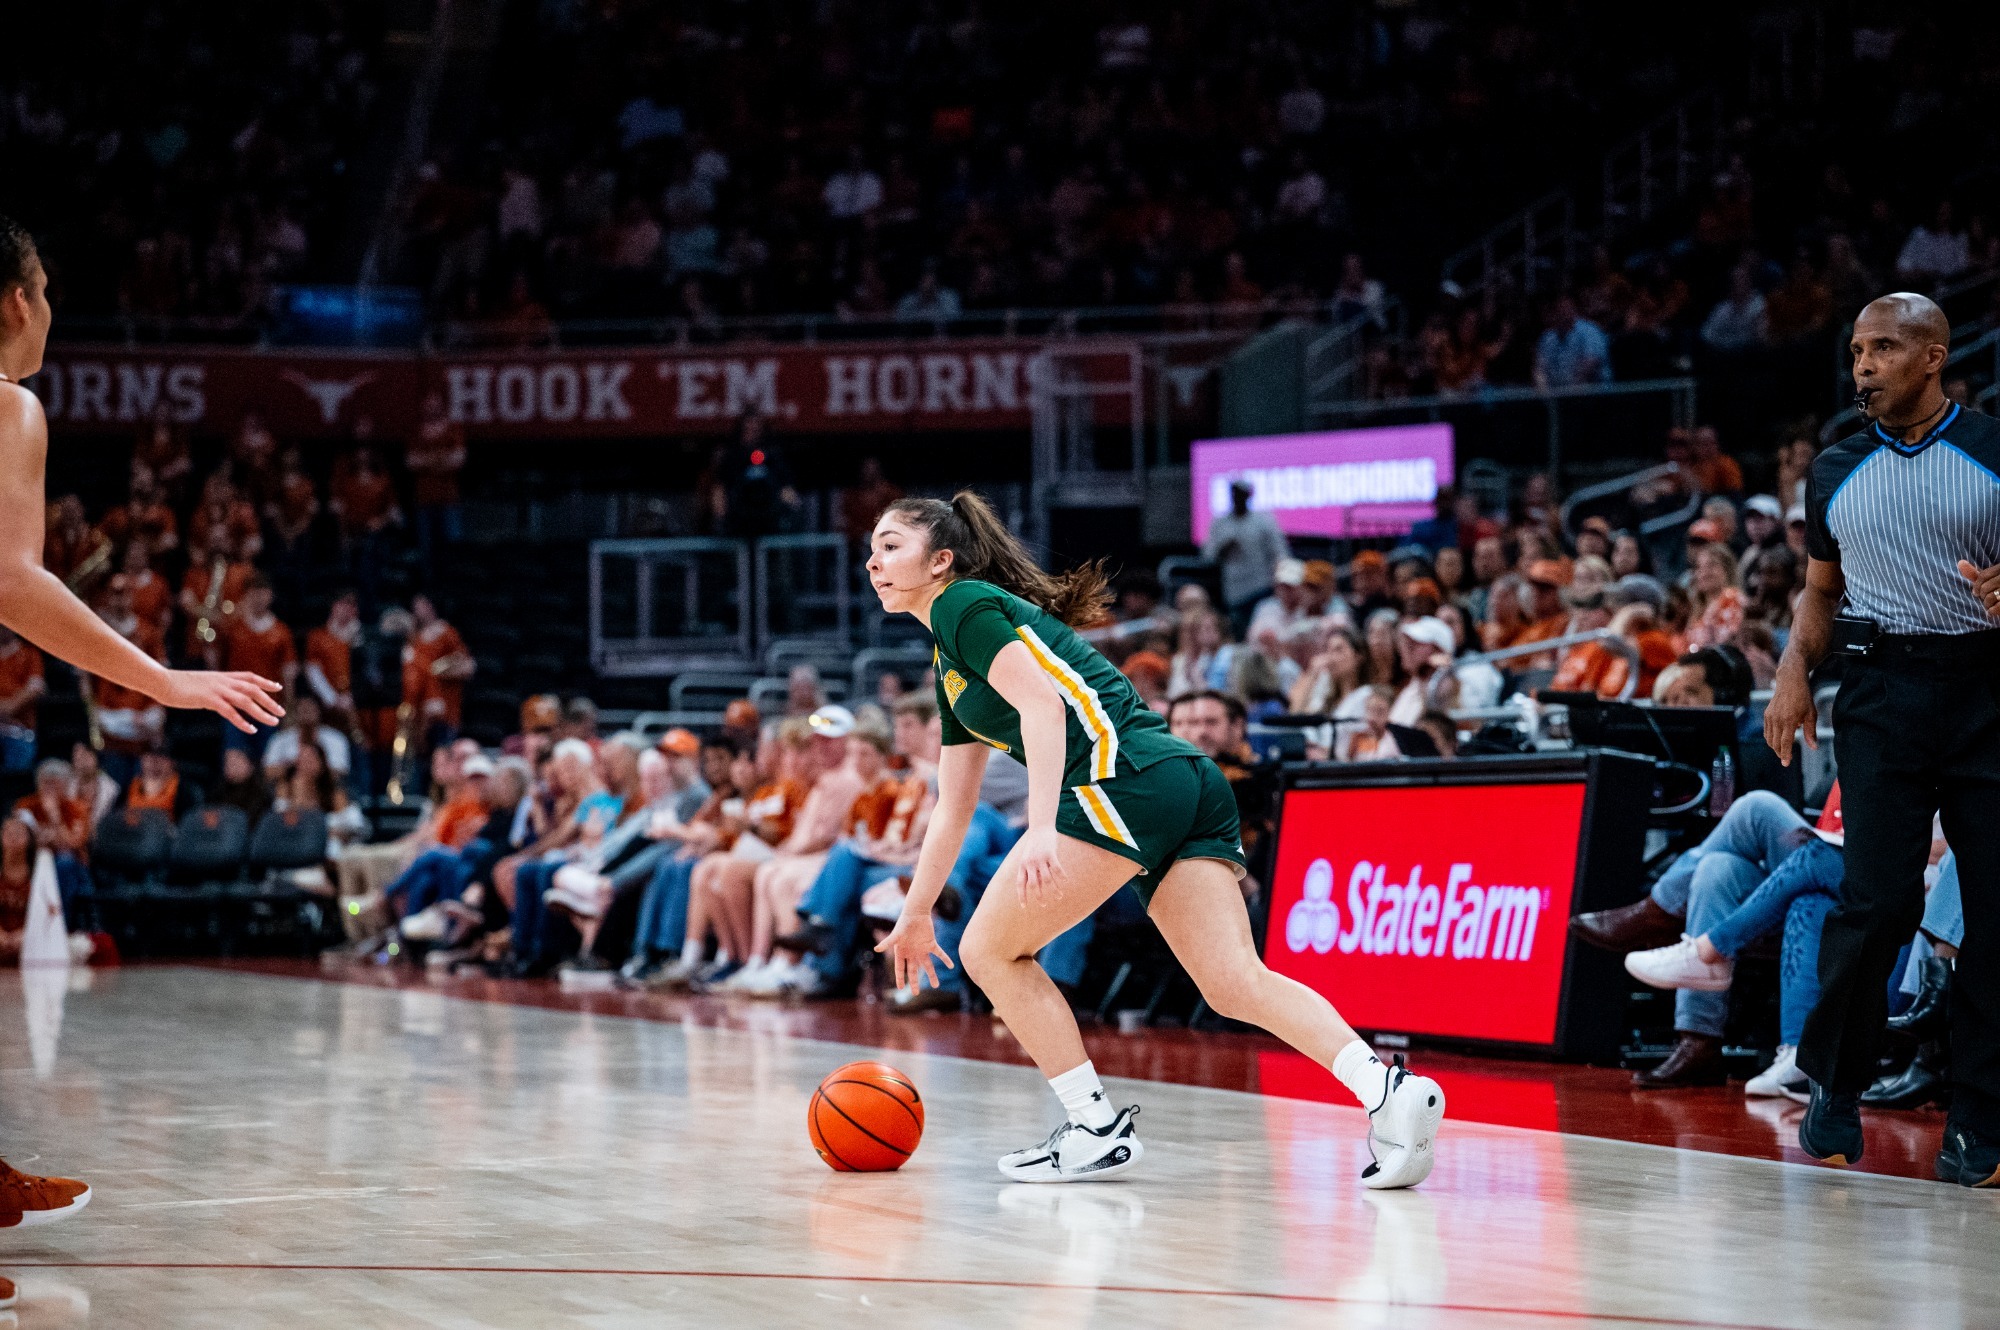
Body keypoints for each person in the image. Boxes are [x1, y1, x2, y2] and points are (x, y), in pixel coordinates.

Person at [869, 492, 1444, 1187]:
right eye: (872, 546)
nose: (873, 559)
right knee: (1233, 982)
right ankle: (1387, 1089)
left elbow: (1045, 706)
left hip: (1120, 777)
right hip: (1180, 779)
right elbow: (953, 804)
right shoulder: (950, 660)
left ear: (940, 560)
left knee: (990, 950)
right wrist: (916, 909)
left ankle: (1093, 1127)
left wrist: (1046, 823)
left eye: (891, 543)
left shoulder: (963, 605)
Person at [0, 214, 281, 1239]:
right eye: (47, 289)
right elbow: (12, 582)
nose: (53, 311)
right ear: (15, 302)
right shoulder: (9, 404)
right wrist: (162, 678)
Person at [1765, 290, 2000, 1183]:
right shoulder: (1834, 469)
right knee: (1877, 903)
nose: (1863, 364)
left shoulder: (1992, 451)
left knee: (1995, 912)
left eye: (1885, 349)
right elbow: (1821, 590)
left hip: (1988, 690)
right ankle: (1835, 1082)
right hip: (1879, 691)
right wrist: (1793, 672)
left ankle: (1980, 1119)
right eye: (1858, 350)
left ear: (1934, 357)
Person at [1203, 478, 1289, 636]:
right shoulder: (1220, 523)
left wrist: (1281, 586)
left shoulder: (1263, 521)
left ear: (1249, 495)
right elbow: (1207, 555)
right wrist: (1224, 549)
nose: (1237, 497)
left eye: (1241, 493)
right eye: (1234, 493)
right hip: (1233, 592)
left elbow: (1280, 553)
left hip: (1261, 588)